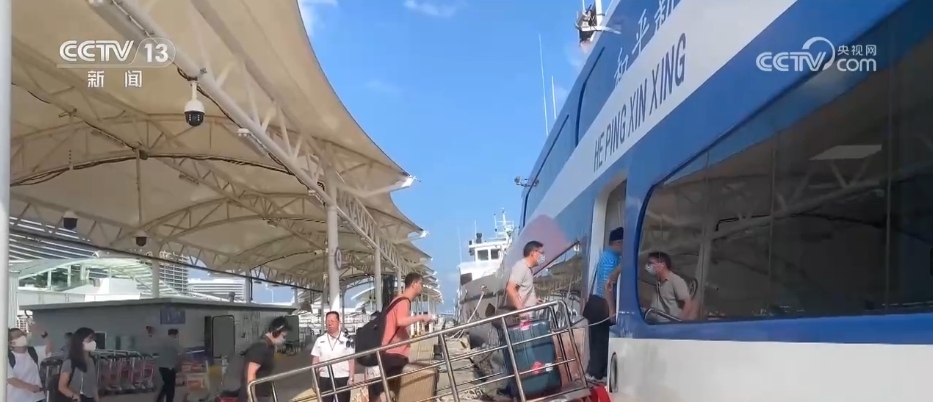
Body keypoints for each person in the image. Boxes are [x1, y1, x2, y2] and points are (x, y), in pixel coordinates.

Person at [369, 273, 433, 402]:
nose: (422, 287)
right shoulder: (404, 301)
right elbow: (401, 321)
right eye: (421, 284)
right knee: (392, 391)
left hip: (390, 352)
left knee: (390, 390)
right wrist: (422, 317)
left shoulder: (398, 300)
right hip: (394, 353)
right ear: (414, 284)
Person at [587, 227, 624, 383]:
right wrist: (612, 309)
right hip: (603, 304)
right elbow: (607, 284)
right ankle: (598, 375)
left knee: (597, 342)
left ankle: (594, 372)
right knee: (602, 342)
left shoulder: (605, 256)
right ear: (618, 242)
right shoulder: (611, 258)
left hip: (597, 303)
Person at [237, 317, 291, 402]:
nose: (284, 339)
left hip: (262, 394)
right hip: (255, 395)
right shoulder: (260, 347)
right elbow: (251, 373)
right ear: (275, 333)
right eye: (283, 336)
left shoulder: (270, 347)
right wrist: (251, 397)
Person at [311, 312, 355, 402]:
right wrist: (314, 380)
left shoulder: (347, 339)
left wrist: (351, 378)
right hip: (325, 377)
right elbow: (315, 360)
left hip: (342, 377)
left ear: (339, 322)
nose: (330, 323)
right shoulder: (320, 340)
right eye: (327, 321)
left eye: (332, 321)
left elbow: (351, 360)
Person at [645, 251, 697, 322]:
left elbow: (688, 304)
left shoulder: (676, 281)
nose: (648, 266)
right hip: (655, 321)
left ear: (662, 265)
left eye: (651, 263)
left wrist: (678, 323)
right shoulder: (658, 281)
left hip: (668, 323)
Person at [7, 326, 52, 402]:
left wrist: (44, 334)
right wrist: (29, 387)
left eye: (22, 334)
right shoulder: (7, 358)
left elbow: (49, 348)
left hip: (37, 398)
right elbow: (11, 379)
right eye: (18, 336)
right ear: (11, 342)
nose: (22, 337)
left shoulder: (33, 352)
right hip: (16, 399)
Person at [58, 327, 99, 402]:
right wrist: (74, 395)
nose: (93, 342)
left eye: (93, 339)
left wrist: (96, 398)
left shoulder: (91, 361)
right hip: (76, 399)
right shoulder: (69, 362)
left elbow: (93, 384)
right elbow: (62, 386)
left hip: (90, 398)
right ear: (80, 342)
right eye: (89, 340)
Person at [506, 240, 545, 319]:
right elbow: (510, 288)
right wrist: (521, 311)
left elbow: (523, 290)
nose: (543, 256)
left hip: (528, 316)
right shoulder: (521, 267)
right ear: (533, 253)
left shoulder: (528, 269)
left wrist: (534, 300)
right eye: (541, 253)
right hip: (523, 318)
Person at [155, 328, 185, 402]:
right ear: (175, 334)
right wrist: (178, 361)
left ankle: (159, 399)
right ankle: (169, 400)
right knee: (170, 387)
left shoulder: (162, 342)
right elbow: (182, 351)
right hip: (170, 367)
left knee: (166, 384)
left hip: (161, 367)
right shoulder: (172, 341)